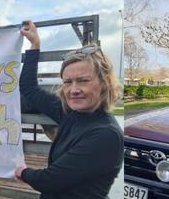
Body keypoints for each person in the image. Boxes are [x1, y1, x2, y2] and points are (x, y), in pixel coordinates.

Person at [15, 21, 123, 199]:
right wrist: (34, 45)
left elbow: (50, 180)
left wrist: (22, 172)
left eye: (83, 80)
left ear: (104, 83)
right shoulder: (69, 112)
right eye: (67, 82)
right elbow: (29, 89)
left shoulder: (106, 135)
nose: (74, 90)